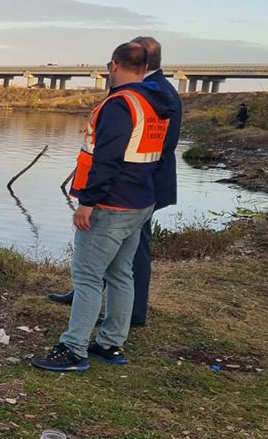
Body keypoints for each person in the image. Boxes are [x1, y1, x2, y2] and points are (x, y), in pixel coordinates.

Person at [32, 42, 175, 372]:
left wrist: (87, 202)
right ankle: (110, 344)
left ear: (114, 65)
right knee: (121, 274)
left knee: (87, 276)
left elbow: (107, 159)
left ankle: (73, 349)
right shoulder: (154, 103)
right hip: (140, 200)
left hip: (112, 204)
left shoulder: (120, 105)